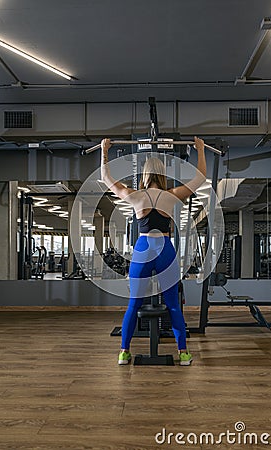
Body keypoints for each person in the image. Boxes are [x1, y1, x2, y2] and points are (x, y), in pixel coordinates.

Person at [101, 137, 206, 365]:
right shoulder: (171, 195)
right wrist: (200, 149)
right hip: (165, 251)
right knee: (173, 305)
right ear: (162, 175)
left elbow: (105, 178)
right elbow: (201, 177)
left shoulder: (135, 196)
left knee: (133, 304)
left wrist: (104, 150)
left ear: (144, 175)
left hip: (142, 250)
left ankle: (123, 352)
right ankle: (184, 353)